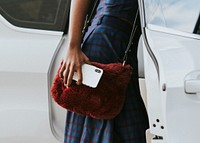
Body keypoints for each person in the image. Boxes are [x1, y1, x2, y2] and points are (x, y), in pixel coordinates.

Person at [60, 0, 149, 142]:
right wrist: (73, 46)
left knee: (129, 130)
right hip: (106, 40)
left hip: (124, 45)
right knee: (103, 126)